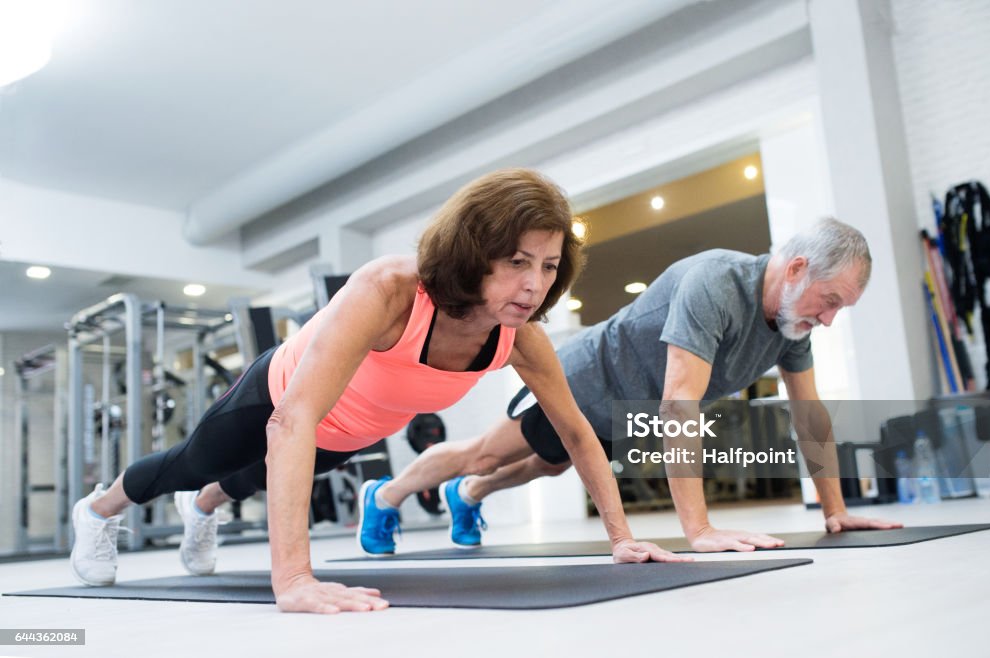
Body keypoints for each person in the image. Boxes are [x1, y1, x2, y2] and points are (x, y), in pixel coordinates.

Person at [69, 168, 684, 615]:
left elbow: (576, 430)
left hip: (353, 429)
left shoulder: (518, 334)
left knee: (248, 481)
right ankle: (98, 511)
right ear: (475, 253)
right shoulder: (391, 290)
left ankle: (202, 509)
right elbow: (291, 420)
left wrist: (621, 537)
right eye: (518, 262)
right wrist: (294, 579)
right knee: (194, 464)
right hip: (280, 398)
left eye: (548, 267)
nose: (534, 284)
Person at [362, 217, 902, 554]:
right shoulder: (716, 282)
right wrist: (700, 530)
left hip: (627, 408)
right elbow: (679, 402)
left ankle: (468, 496)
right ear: (796, 269)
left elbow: (809, 413)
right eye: (829, 301)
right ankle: (384, 495)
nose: (828, 319)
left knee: (549, 464)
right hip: (582, 379)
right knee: (486, 453)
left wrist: (835, 509)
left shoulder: (790, 323)